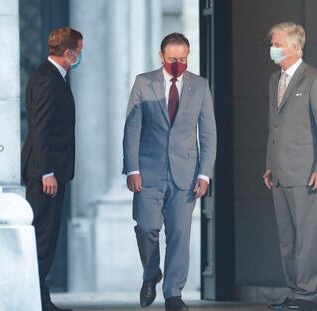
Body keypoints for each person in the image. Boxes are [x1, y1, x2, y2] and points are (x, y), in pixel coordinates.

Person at [123, 32, 217, 311]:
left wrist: (204, 173)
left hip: (185, 173)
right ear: (162, 56)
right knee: (147, 227)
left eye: (183, 59)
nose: (178, 63)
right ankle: (151, 272)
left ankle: (173, 293)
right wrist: (132, 168)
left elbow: (209, 132)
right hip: (148, 171)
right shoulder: (144, 82)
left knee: (179, 234)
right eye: (173, 58)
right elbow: (132, 127)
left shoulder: (200, 86)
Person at [263, 22, 317, 311]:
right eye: (273, 43)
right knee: (287, 238)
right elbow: (274, 125)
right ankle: (294, 291)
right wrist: (270, 164)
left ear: (295, 46)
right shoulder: (274, 80)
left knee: (306, 237)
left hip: (306, 172)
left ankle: (307, 295)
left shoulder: (315, 80)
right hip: (280, 172)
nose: (273, 48)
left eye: (278, 43)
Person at [21, 26, 83, 311]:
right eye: (79, 51)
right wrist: (47, 172)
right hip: (45, 174)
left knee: (46, 236)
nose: (80, 56)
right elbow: (41, 129)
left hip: (50, 172)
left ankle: (40, 297)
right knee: (43, 237)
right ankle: (37, 300)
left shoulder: (52, 75)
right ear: (68, 52)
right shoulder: (48, 79)